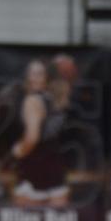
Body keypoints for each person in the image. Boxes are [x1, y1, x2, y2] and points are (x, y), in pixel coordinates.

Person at [9, 58, 70, 209]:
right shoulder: (56, 100)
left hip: (33, 170)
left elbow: (32, 137)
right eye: (32, 73)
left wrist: (18, 151)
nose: (34, 77)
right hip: (56, 169)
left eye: (39, 74)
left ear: (46, 78)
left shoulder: (32, 101)